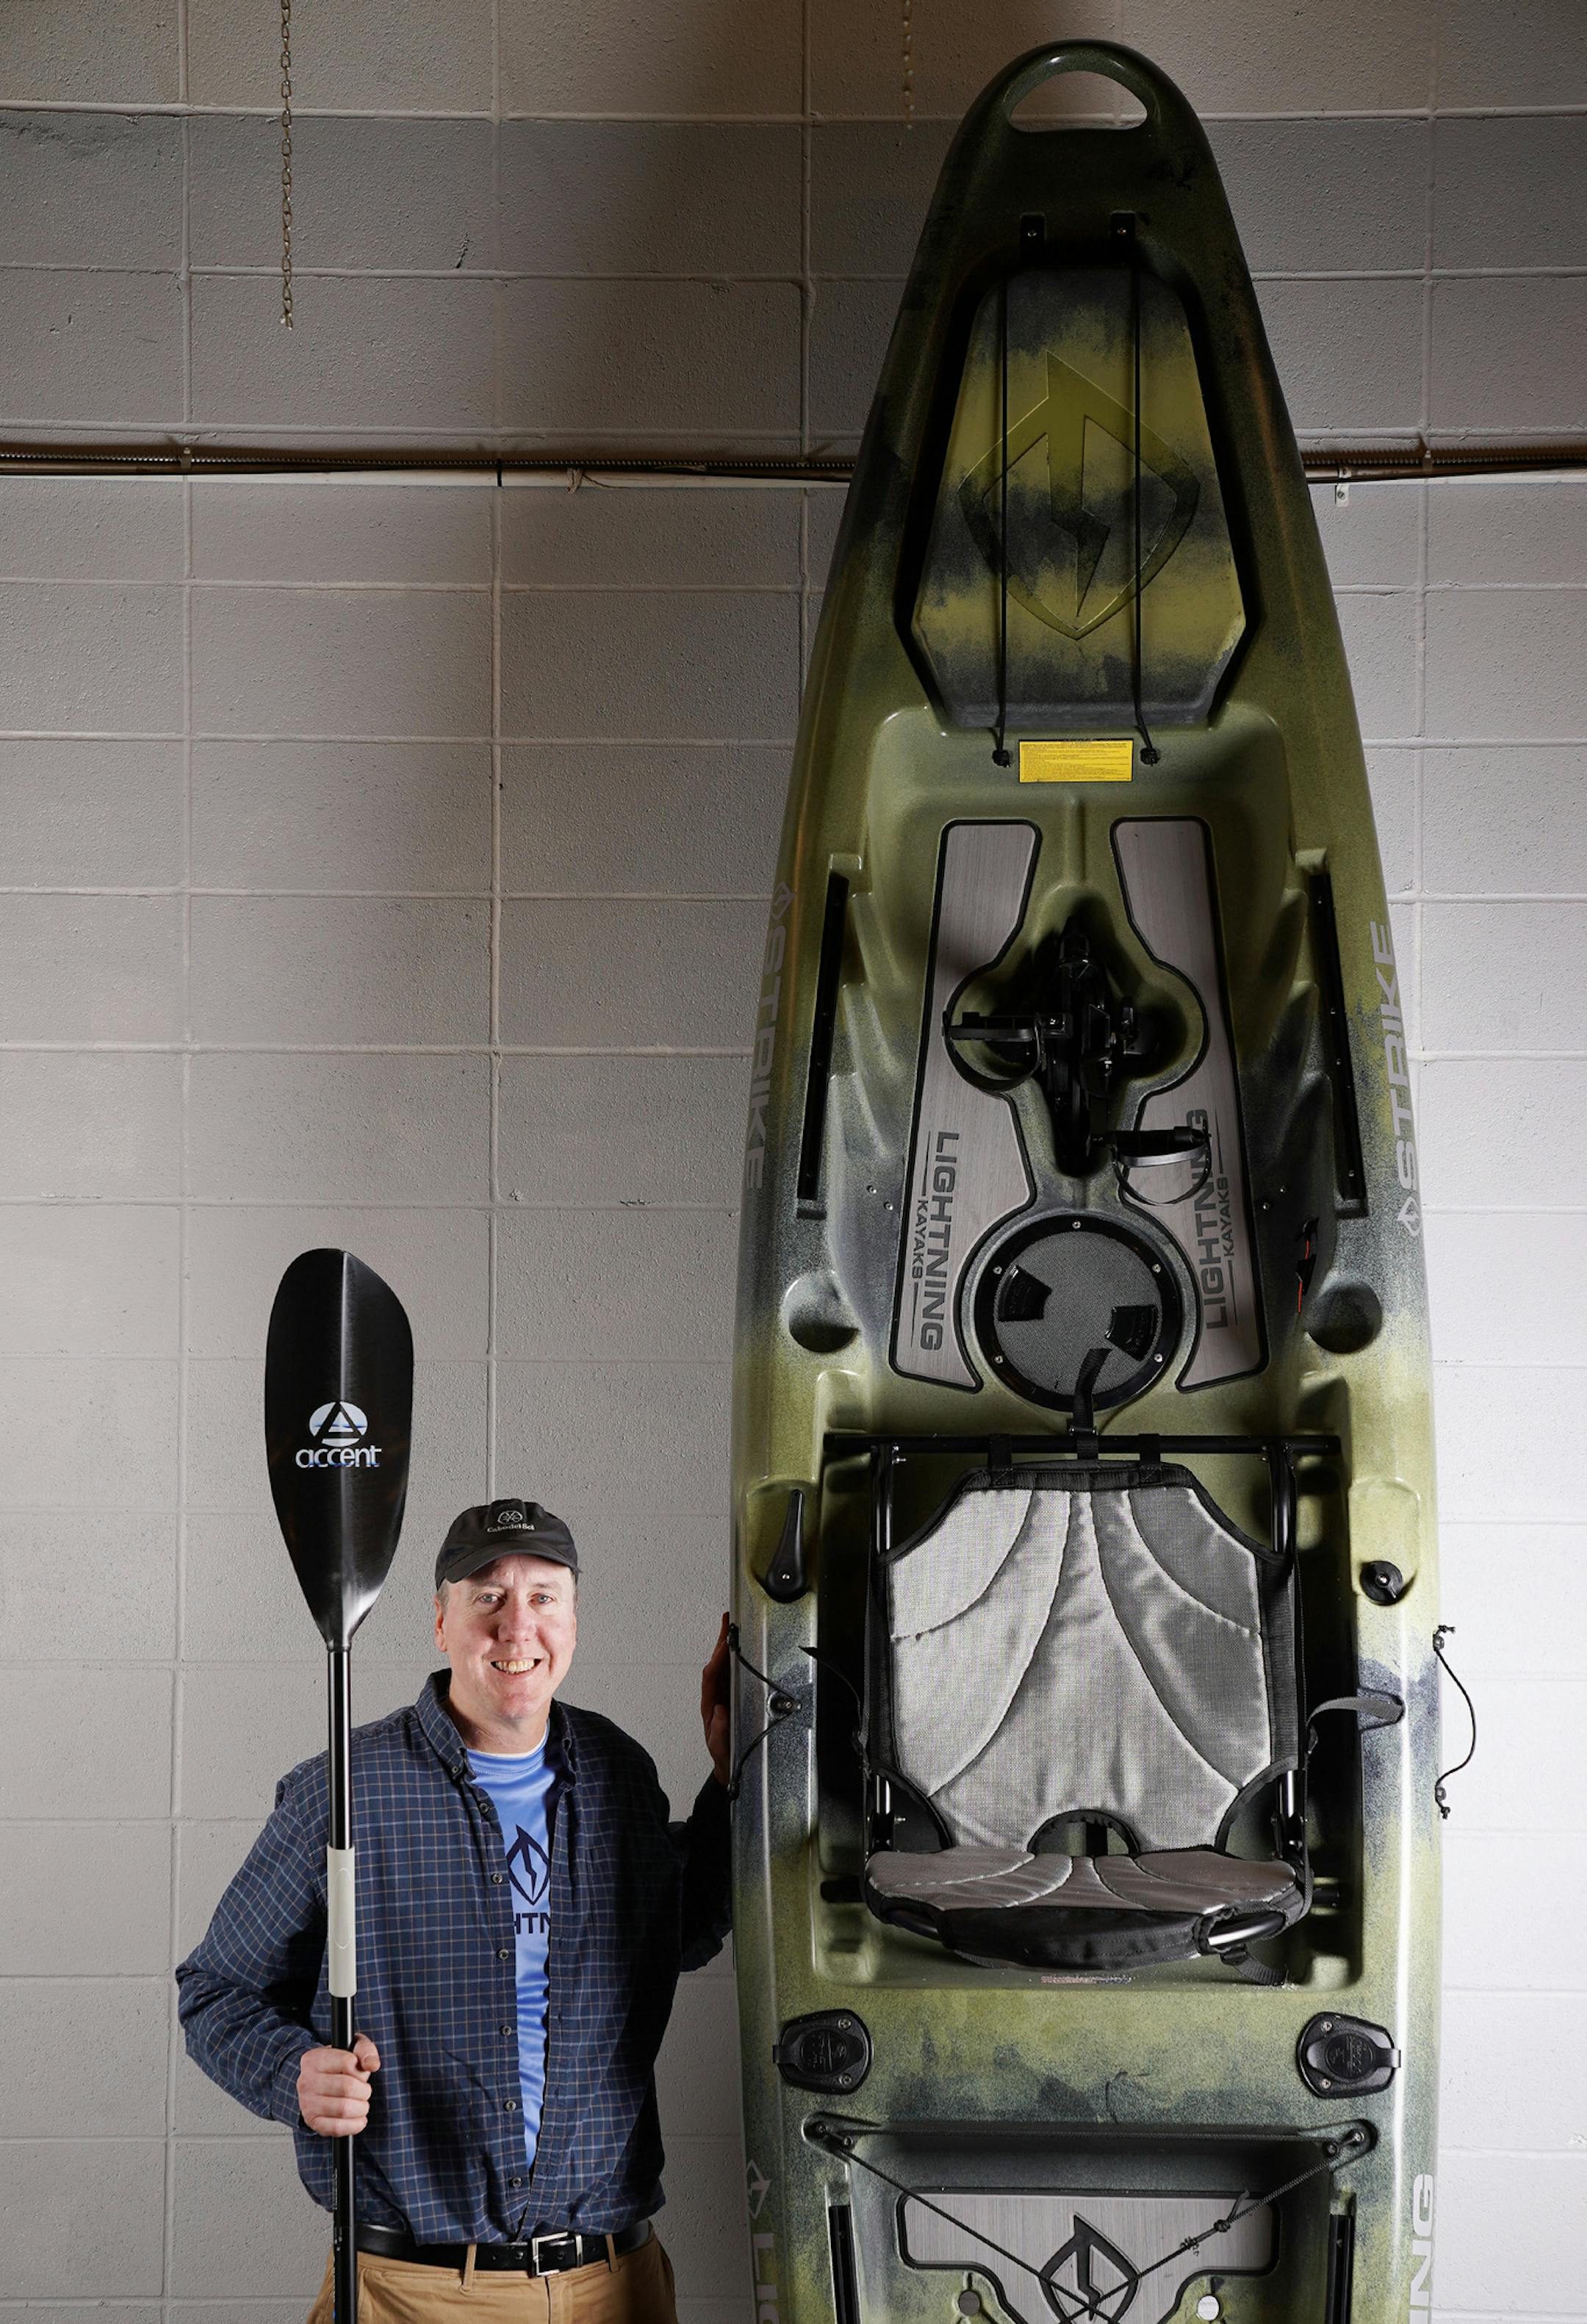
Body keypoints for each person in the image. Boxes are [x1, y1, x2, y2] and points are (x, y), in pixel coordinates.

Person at [177, 1497, 733, 2322]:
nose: (518, 1626)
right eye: (488, 1597)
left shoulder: (618, 1771)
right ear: (442, 1622)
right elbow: (214, 1991)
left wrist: (731, 1778)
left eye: (543, 1596)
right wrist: (294, 2071)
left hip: (615, 2284)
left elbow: (678, 1931)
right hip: (415, 2293)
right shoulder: (346, 1792)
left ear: (573, 1620)